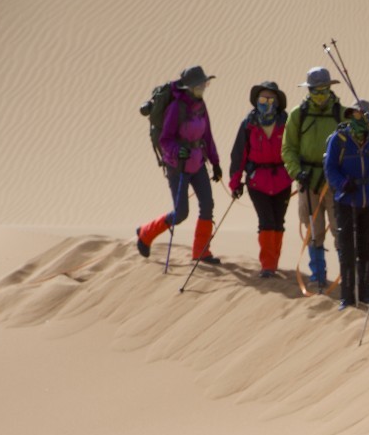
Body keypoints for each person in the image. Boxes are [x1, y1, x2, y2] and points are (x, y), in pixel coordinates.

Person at [135, 65, 222, 263]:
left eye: (204, 85)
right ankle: (145, 234)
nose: (203, 89)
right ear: (189, 88)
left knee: (207, 204)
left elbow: (207, 136)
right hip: (177, 166)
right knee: (181, 212)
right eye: (200, 86)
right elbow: (165, 139)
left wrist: (215, 163)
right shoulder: (176, 108)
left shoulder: (200, 105)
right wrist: (177, 151)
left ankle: (202, 252)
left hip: (198, 162)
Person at [282, 67, 348, 291]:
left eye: (324, 91)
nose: (320, 96)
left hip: (335, 181)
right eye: (315, 92)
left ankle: (347, 278)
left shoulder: (342, 114)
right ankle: (317, 277)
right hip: (308, 180)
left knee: (341, 229)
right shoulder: (297, 115)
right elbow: (288, 148)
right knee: (313, 231)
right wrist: (296, 171)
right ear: (308, 91)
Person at [324, 100, 369, 310]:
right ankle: (348, 296)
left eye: (366, 116)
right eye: (358, 115)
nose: (361, 120)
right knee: (348, 250)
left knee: (366, 248)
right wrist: (342, 183)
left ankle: (366, 292)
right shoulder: (339, 140)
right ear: (351, 116)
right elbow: (330, 168)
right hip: (346, 200)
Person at [227, 81, 293, 278]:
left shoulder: (286, 122)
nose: (266, 103)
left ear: (277, 102)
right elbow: (238, 155)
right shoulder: (248, 124)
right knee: (266, 221)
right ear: (256, 101)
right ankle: (268, 265)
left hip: (282, 180)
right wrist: (235, 183)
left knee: (278, 222)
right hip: (257, 181)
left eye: (270, 99)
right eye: (262, 99)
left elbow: (295, 150)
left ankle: (273, 262)